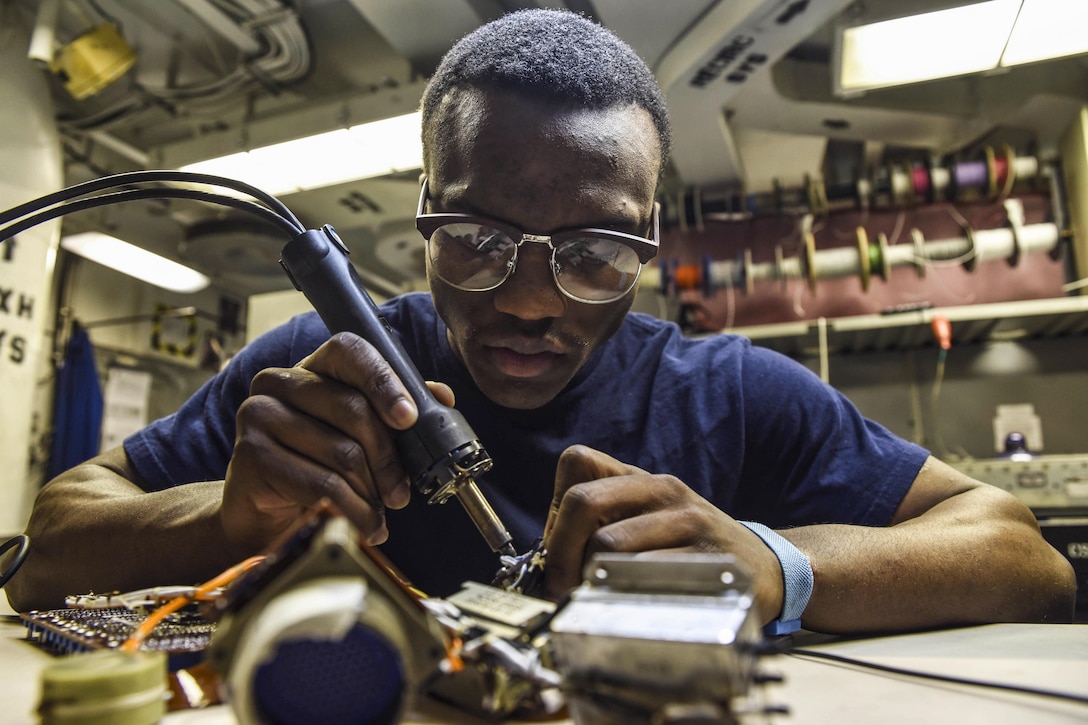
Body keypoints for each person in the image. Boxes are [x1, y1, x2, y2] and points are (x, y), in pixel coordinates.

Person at [6, 9, 1075, 633]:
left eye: (593, 249)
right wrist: (224, 519)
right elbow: (46, 544)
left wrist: (774, 566)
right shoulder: (325, 370)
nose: (527, 297)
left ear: (649, 237)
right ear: (420, 213)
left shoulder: (733, 392)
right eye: (474, 232)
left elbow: (1022, 553)